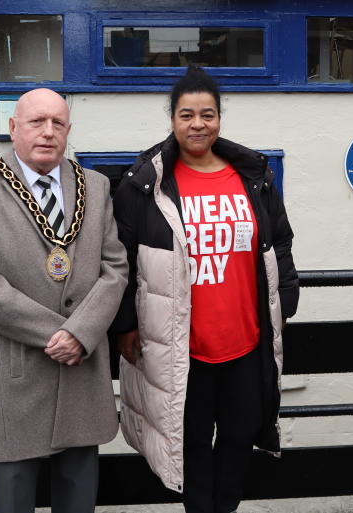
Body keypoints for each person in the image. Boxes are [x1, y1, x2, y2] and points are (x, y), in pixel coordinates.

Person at [111, 65, 300, 513]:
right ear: (172, 120)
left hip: (245, 344)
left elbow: (280, 240)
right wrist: (124, 326)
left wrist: (285, 299)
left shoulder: (252, 176)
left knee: (238, 440)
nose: (198, 124)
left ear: (219, 119)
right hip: (182, 350)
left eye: (208, 114)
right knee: (190, 446)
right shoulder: (144, 184)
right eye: (187, 115)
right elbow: (120, 260)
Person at [0, 88, 128, 513]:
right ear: (13, 128)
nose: (48, 132)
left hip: (82, 367)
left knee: (78, 492)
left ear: (68, 130)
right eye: (36, 122)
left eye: (58, 123)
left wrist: (81, 333)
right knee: (13, 492)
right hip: (19, 369)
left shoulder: (97, 187)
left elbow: (115, 269)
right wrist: (60, 333)